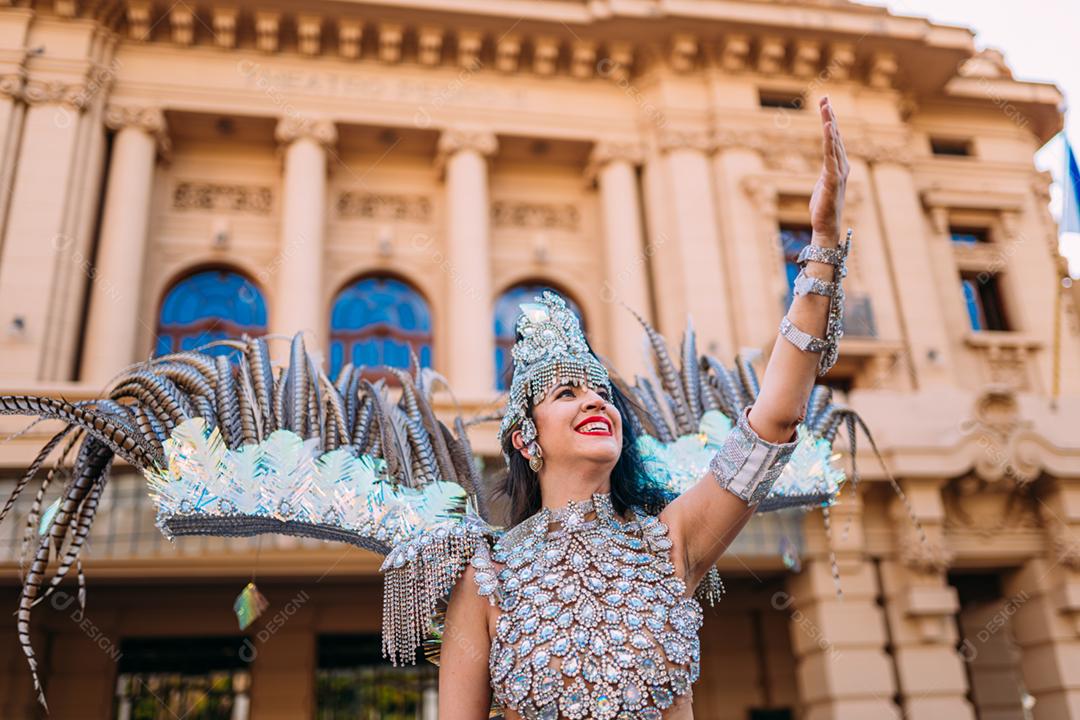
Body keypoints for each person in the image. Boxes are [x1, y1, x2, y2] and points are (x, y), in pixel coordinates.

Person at [434, 96, 851, 719]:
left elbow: (774, 421)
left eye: (601, 391)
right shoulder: (487, 576)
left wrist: (821, 240)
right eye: (567, 393)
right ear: (526, 439)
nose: (594, 401)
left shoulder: (671, 541)